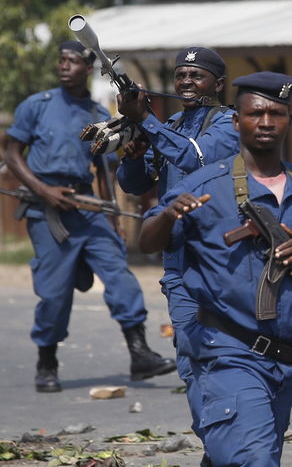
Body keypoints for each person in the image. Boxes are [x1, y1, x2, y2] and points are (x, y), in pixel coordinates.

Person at [138, 71, 292, 467]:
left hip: (288, 358)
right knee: (255, 459)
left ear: (290, 119)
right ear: (237, 121)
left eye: (276, 114)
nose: (266, 123)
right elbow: (148, 241)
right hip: (229, 353)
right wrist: (168, 215)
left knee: (252, 454)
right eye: (256, 114)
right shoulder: (206, 185)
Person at [4, 40, 176, 393]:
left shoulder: (99, 112)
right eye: (61, 60)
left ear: (88, 67)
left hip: (87, 207)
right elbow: (12, 155)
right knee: (55, 294)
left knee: (120, 276)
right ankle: (47, 362)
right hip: (47, 209)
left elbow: (105, 169)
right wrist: (43, 190)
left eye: (72, 61)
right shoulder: (37, 106)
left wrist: (112, 213)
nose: (64, 66)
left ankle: (139, 353)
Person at [115, 47, 239, 454]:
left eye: (196, 75)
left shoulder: (229, 122)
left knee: (226, 357)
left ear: (217, 84)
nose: (186, 81)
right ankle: (216, 447)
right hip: (179, 258)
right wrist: (133, 153)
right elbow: (134, 184)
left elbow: (194, 156)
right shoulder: (167, 123)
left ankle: (228, 444)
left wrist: (145, 120)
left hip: (223, 258)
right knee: (190, 357)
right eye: (181, 75)